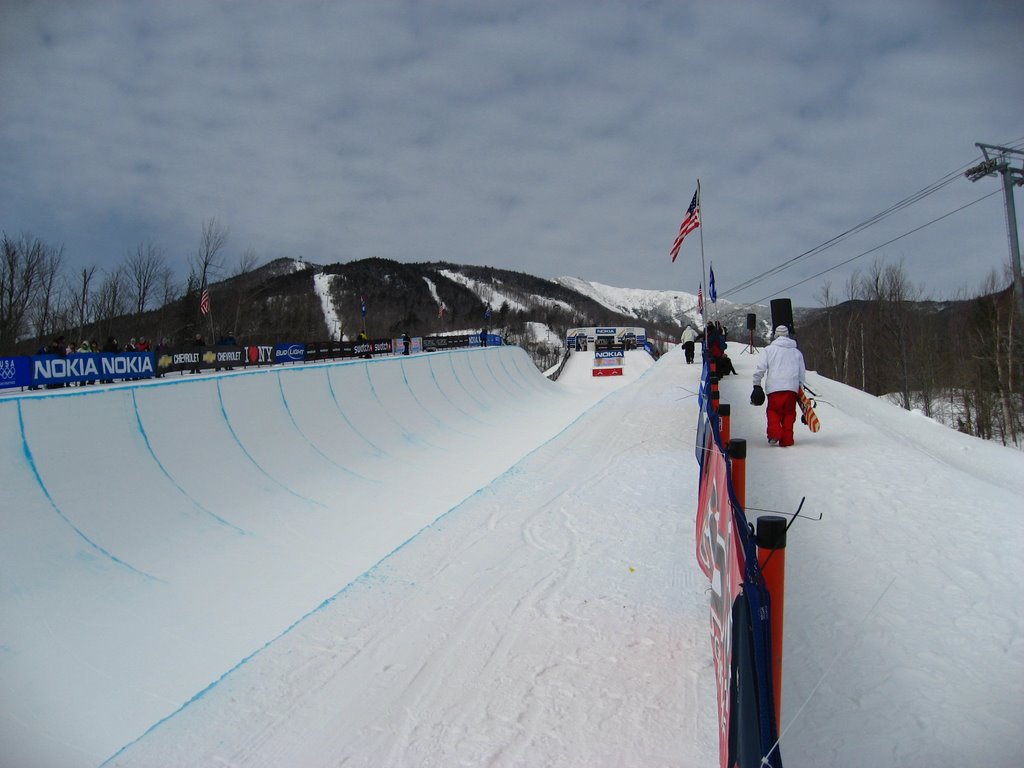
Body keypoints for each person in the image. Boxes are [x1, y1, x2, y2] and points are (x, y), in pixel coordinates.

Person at [751, 325, 807, 447]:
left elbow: (761, 368)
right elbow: (801, 372)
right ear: (787, 335)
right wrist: (800, 387)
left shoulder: (769, 350)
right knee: (789, 413)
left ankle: (774, 433)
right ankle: (787, 439)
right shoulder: (796, 352)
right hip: (791, 388)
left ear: (775, 335)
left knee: (773, 411)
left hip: (774, 387)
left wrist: (756, 383)